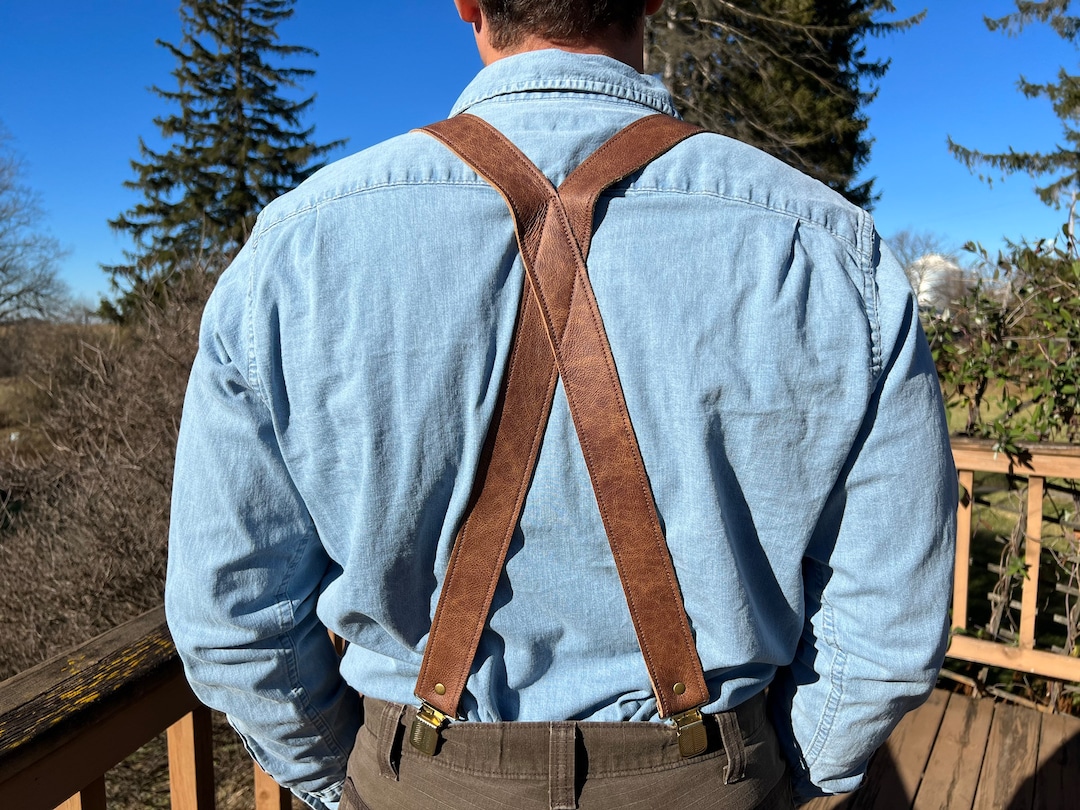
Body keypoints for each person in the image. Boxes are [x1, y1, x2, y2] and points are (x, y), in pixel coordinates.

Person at [165, 2, 957, 809]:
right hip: (709, 781)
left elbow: (233, 619)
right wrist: (775, 772)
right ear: (650, 0)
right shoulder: (827, 247)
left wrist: (363, 777)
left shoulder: (294, 252)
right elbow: (887, 627)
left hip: (422, 778)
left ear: (468, 4)